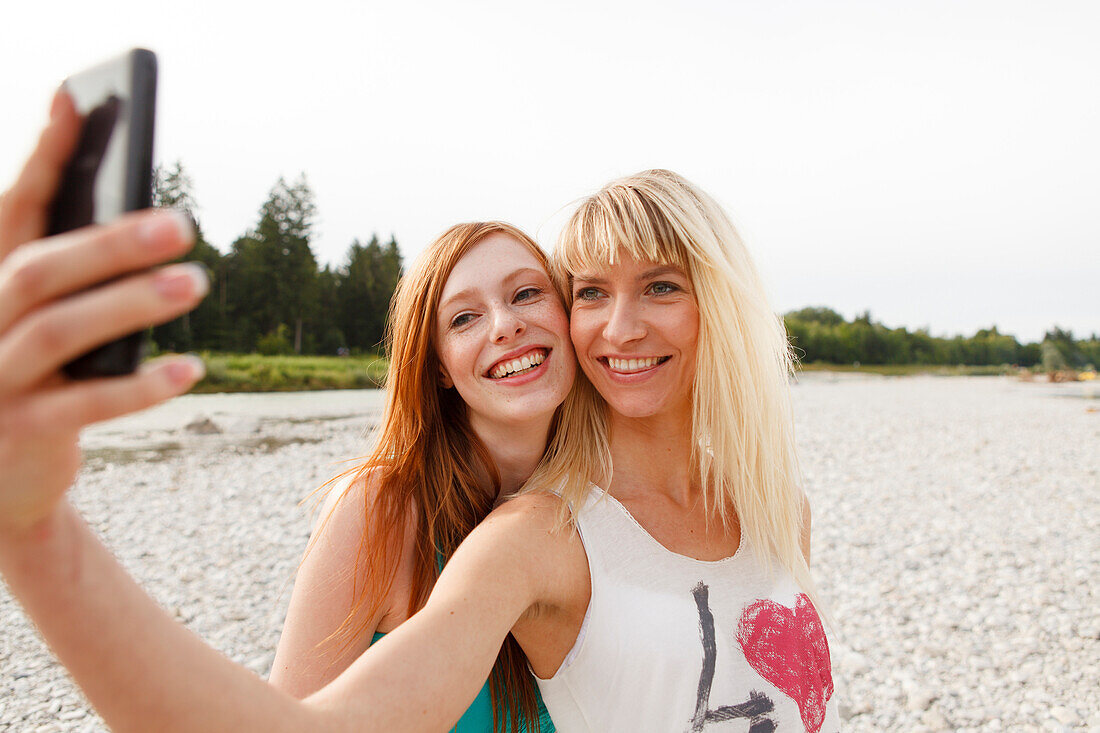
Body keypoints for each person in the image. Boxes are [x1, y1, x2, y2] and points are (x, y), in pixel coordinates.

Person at [0, 91, 836, 733]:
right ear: (436, 365)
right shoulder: (529, 536)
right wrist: (35, 532)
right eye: (592, 292)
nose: (620, 325)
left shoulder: (776, 513)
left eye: (661, 285)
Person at [269, 219, 568, 733]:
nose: (504, 324)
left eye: (526, 293)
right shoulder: (381, 509)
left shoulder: (610, 502)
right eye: (464, 318)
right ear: (439, 369)